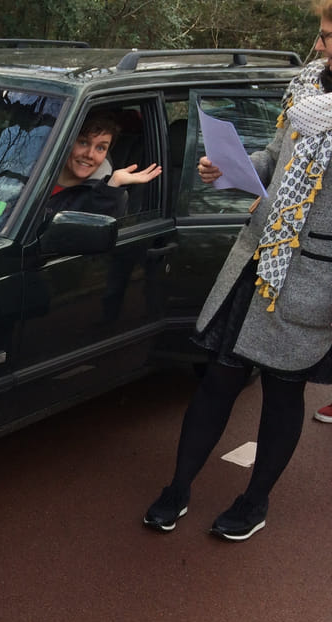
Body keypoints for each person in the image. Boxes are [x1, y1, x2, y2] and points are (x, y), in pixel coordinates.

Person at [144, 3, 332, 541]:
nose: (319, 45)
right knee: (218, 378)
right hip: (257, 257)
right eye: (321, 34)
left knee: (282, 393)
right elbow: (275, 155)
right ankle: (178, 487)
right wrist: (233, 167)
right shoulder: (308, 85)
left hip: (310, 277)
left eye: (328, 36)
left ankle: (255, 500)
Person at [45, 110, 162, 217]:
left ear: (107, 153)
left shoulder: (102, 194)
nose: (90, 155)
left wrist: (112, 186)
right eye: (83, 143)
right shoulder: (38, 169)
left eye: (100, 148)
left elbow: (89, 225)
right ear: (67, 142)